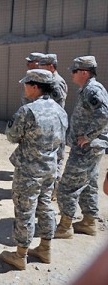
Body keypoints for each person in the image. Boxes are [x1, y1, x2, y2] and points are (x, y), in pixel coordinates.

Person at [1, 69, 68, 270]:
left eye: (26, 84)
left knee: (24, 209)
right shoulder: (60, 110)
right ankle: (45, 248)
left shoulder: (28, 110)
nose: (24, 88)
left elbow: (12, 136)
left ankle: (20, 255)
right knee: (45, 206)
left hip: (29, 170)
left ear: (35, 86)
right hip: (49, 168)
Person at [55, 56, 108, 238]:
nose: (71, 74)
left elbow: (103, 115)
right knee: (88, 184)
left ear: (84, 72)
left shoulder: (92, 89)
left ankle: (65, 226)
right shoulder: (88, 89)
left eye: (74, 71)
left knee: (66, 187)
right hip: (91, 147)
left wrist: (88, 136)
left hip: (87, 148)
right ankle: (89, 222)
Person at [38, 54, 68, 201]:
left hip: (56, 128)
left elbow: (58, 107)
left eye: (42, 65)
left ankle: (54, 191)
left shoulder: (56, 82)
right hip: (50, 127)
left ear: (51, 66)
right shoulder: (50, 80)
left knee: (56, 158)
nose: (39, 68)